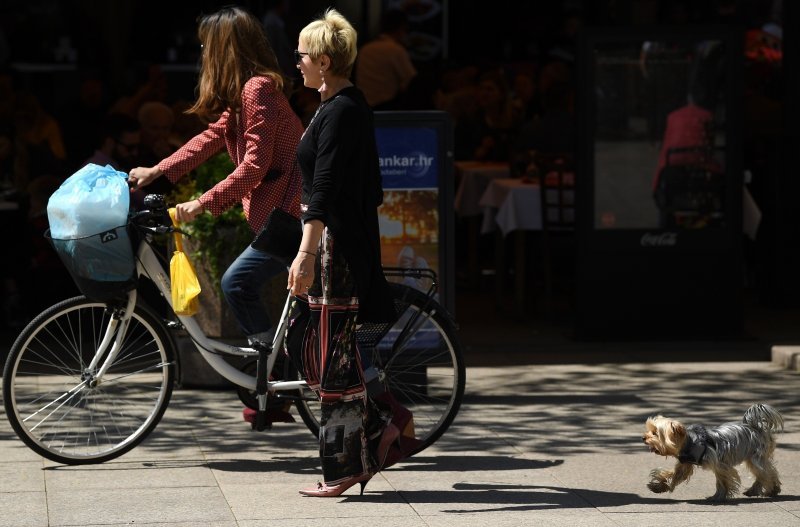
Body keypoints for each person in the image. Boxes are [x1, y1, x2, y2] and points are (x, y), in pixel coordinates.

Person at [128, 6, 304, 352]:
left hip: (290, 215)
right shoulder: (247, 92)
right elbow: (210, 138)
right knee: (270, 294)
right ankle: (273, 376)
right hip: (281, 214)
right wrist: (158, 171)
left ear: (226, 49)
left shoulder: (258, 90)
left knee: (238, 284)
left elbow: (254, 166)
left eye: (208, 46)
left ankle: (272, 368)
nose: (204, 54)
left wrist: (200, 204)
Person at [289, 8, 400, 497]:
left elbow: (329, 186)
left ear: (326, 60)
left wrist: (307, 252)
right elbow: (362, 187)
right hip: (335, 242)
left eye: (303, 55)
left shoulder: (343, 110)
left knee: (332, 361)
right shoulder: (338, 105)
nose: (297, 63)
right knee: (318, 354)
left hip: (336, 251)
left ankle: (348, 466)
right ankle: (382, 426)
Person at [354, 8, 417, 110]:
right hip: (387, 107)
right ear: (402, 28)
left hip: (363, 107)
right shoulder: (396, 50)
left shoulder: (365, 49)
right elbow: (411, 81)